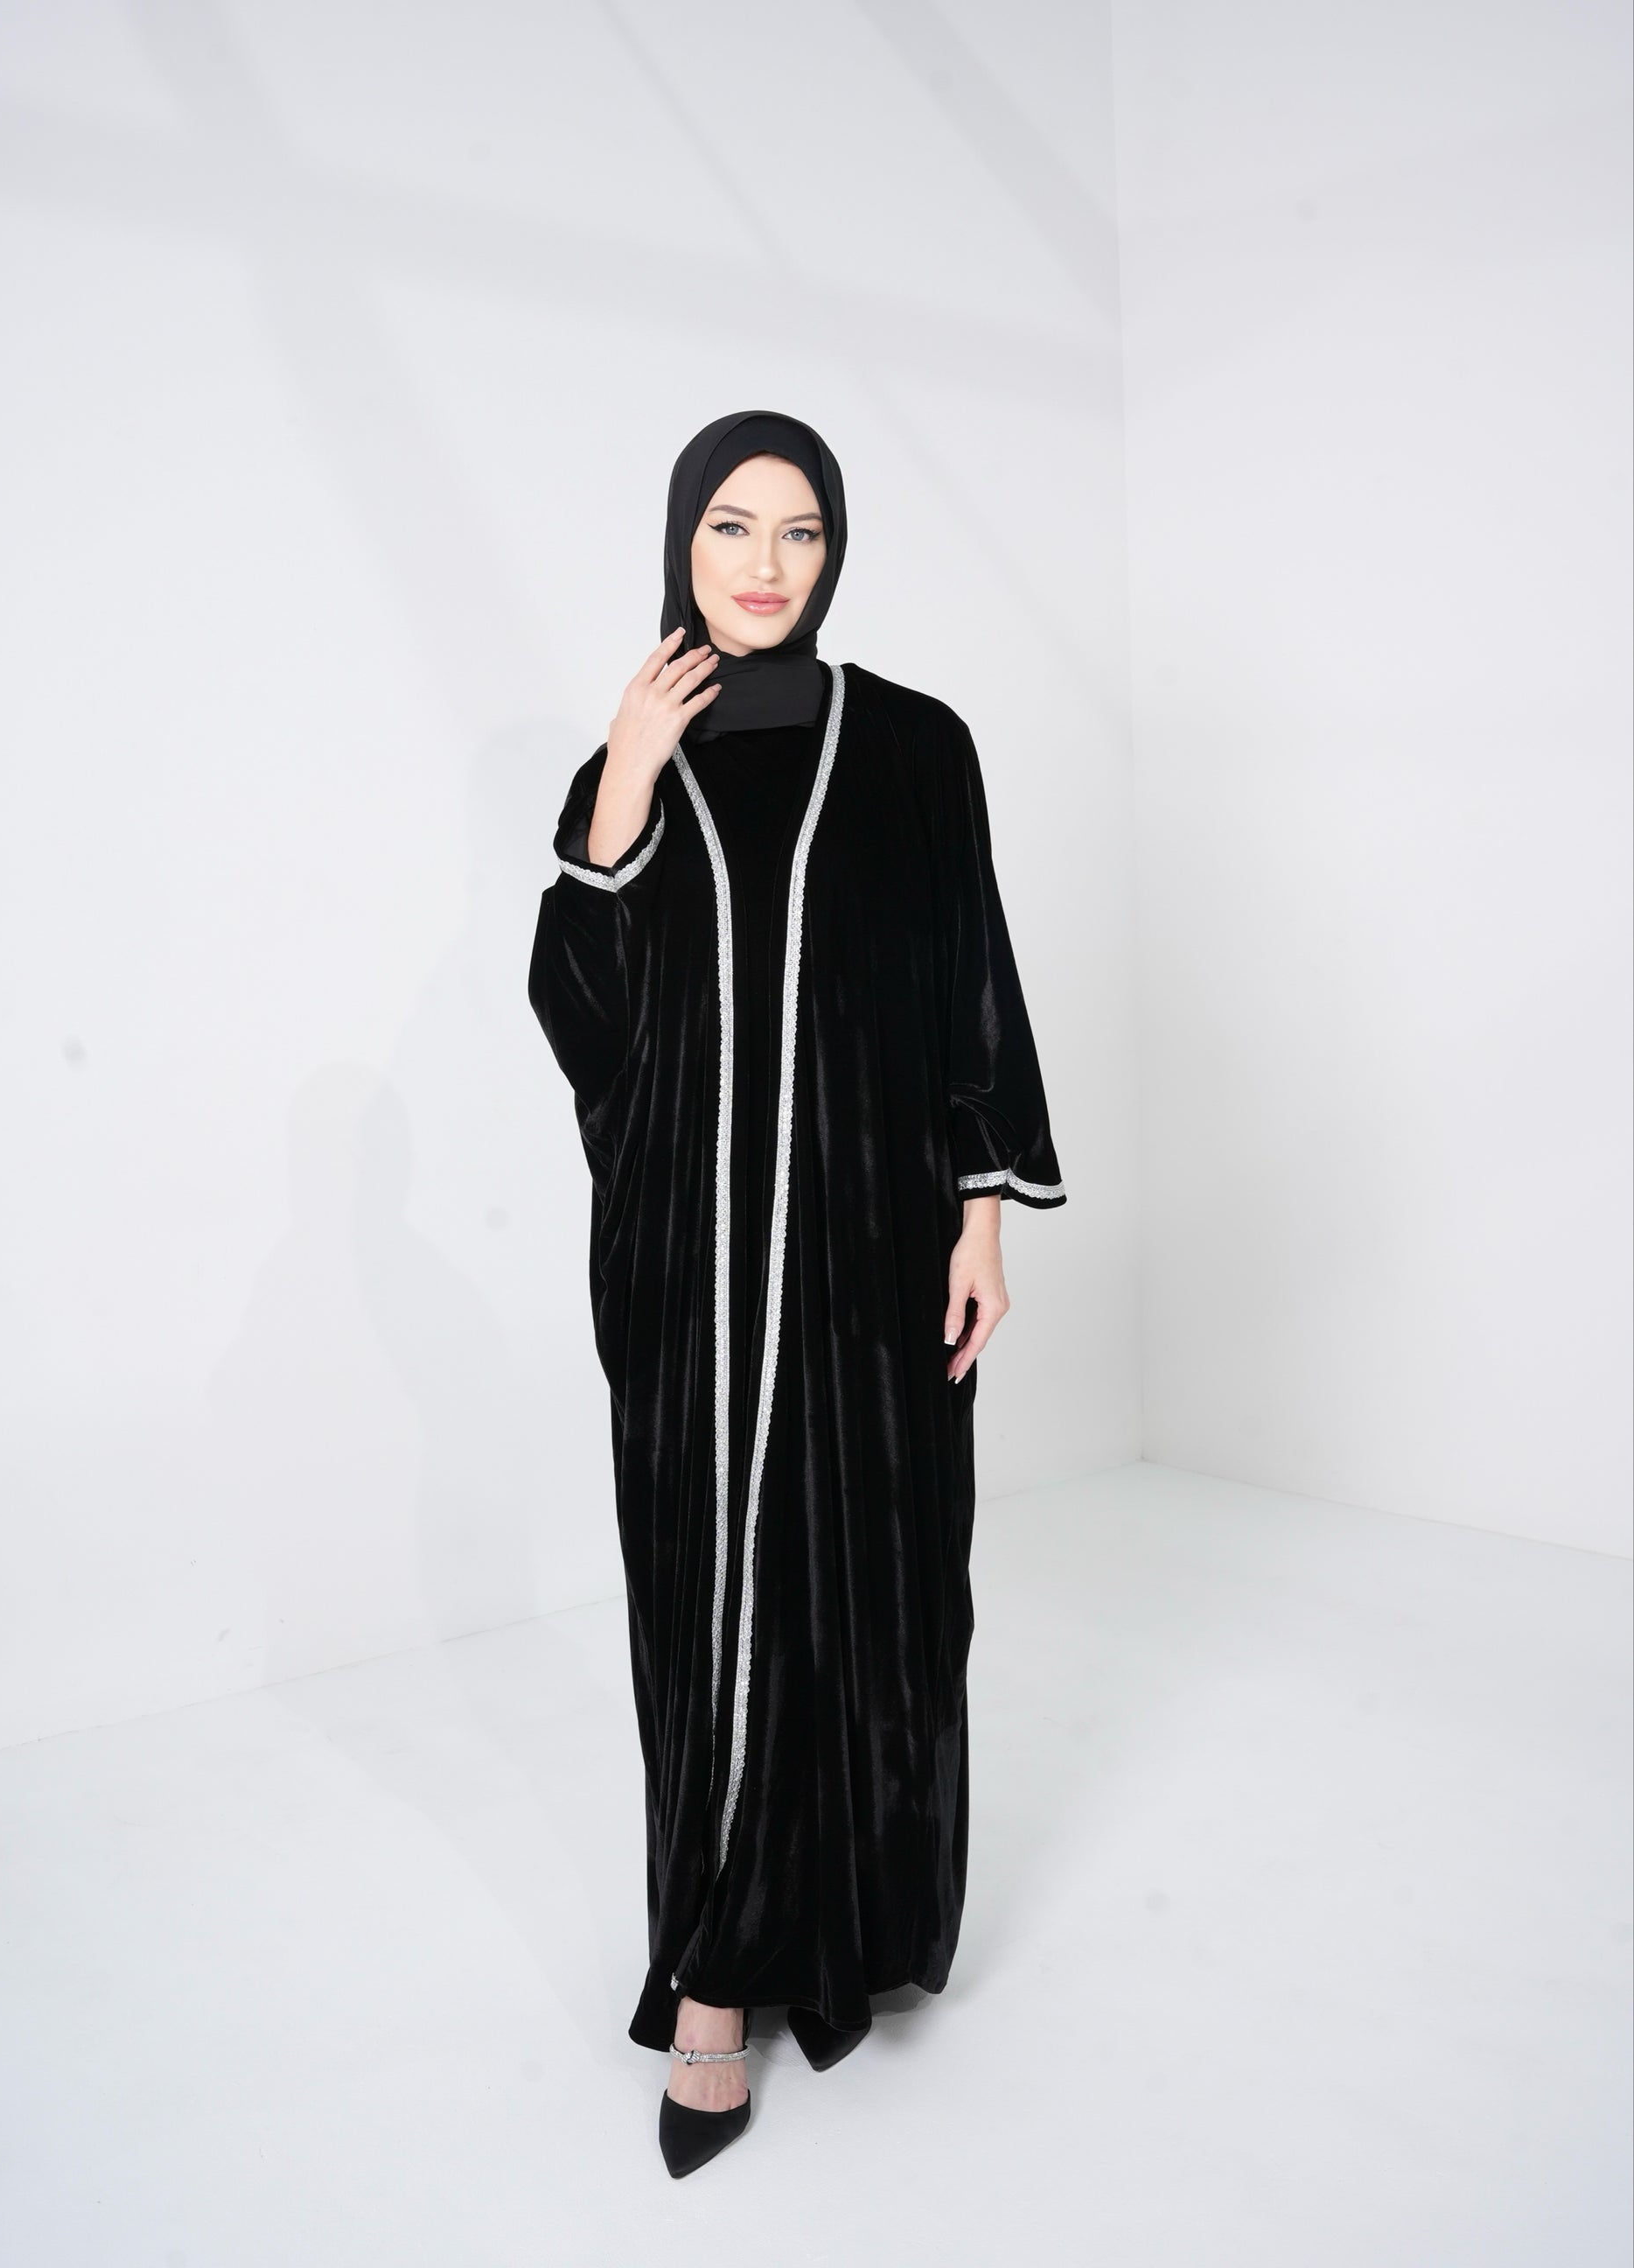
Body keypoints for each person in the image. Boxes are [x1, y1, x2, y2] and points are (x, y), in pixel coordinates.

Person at [528, 410, 1065, 2178]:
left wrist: (981, 1214)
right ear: (679, 542)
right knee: (712, 1604)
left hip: (871, 1249)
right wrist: (621, 776)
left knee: (879, 1589)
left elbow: (970, 978)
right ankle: (709, 1978)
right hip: (692, 1268)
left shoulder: (915, 747)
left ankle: (844, 1920)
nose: (764, 565)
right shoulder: (632, 759)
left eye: (800, 532)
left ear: (833, 553)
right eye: (730, 528)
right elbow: (588, 1021)